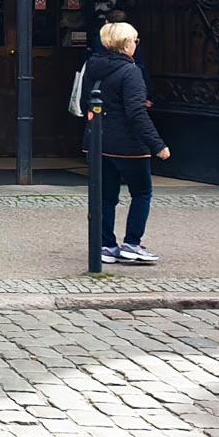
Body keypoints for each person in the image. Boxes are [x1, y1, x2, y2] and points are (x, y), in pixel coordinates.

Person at [80, 21, 169, 265]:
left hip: (98, 141)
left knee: (106, 196)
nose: (136, 44)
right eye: (134, 40)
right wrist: (157, 145)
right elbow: (136, 113)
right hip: (128, 144)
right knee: (142, 193)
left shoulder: (92, 66)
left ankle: (105, 245)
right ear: (126, 44)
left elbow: (87, 100)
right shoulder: (131, 71)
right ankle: (132, 243)